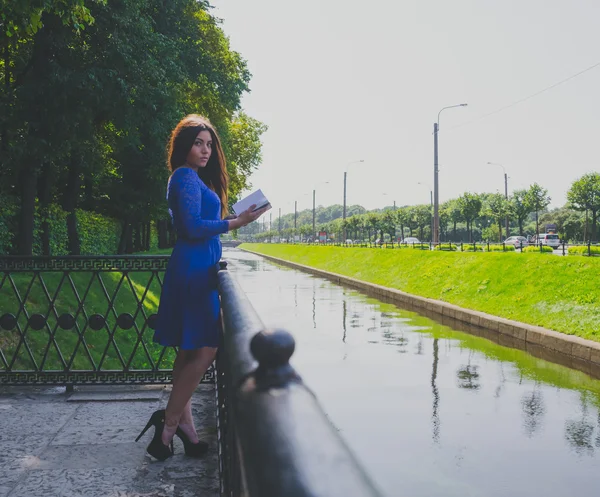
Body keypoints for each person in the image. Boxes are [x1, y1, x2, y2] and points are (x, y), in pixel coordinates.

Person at [135, 114, 267, 461]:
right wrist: (235, 222)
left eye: (209, 144)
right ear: (184, 145)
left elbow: (199, 222)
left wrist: (236, 216)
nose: (206, 150)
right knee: (207, 347)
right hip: (194, 268)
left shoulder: (194, 179)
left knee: (190, 351)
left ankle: (185, 430)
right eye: (199, 143)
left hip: (199, 267)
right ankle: (168, 425)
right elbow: (192, 227)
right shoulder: (184, 176)